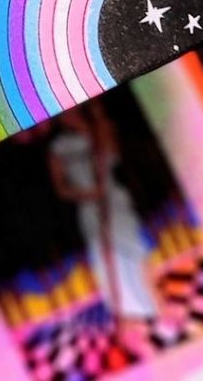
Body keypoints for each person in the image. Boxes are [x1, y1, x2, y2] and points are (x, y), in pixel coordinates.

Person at [47, 104, 158, 341]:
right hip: (88, 207)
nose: (68, 115)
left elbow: (114, 155)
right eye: (63, 114)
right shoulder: (58, 147)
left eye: (71, 111)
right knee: (107, 257)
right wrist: (87, 194)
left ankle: (153, 305)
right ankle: (127, 316)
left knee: (133, 249)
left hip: (114, 199)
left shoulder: (101, 128)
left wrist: (91, 127)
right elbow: (62, 190)